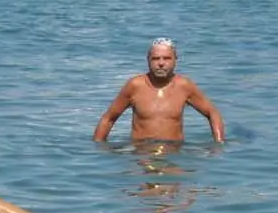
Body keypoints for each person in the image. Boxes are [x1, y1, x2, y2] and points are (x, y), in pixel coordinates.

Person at [92, 38, 225, 144]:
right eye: (156, 58)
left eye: (166, 58)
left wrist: (219, 144)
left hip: (174, 152)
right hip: (141, 152)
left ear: (175, 60)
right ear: (148, 60)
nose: (161, 63)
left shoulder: (184, 85)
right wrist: (98, 148)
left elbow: (212, 112)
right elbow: (108, 118)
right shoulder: (135, 85)